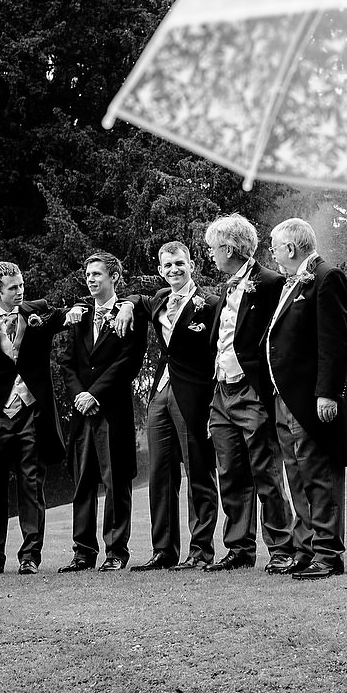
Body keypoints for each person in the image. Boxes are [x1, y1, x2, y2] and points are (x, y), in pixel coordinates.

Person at [105, 242, 222, 571]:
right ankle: (164, 551)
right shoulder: (158, 298)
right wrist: (126, 306)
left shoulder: (210, 303)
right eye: (168, 265)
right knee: (160, 474)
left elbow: (218, 350)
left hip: (194, 395)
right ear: (160, 270)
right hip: (160, 393)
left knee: (198, 472)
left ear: (191, 265)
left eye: (179, 263)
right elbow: (137, 299)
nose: (174, 270)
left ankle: (200, 551)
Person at [202, 214, 298, 573]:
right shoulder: (227, 287)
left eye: (213, 248)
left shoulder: (270, 282)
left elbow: (279, 336)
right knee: (230, 473)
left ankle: (282, 548)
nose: (211, 254)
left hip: (252, 390)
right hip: (221, 392)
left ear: (229, 248)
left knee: (266, 471)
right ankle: (239, 548)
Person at [265, 218, 347, 580]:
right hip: (285, 397)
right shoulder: (292, 282)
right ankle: (305, 550)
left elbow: (334, 342)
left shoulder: (326, 277)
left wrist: (327, 394)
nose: (272, 255)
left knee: (318, 474)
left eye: (274, 248)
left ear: (290, 248)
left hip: (311, 399)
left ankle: (328, 554)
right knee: (297, 475)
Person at [0, 261, 68, 576]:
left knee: (31, 486)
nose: (20, 291)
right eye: (13, 288)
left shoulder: (37, 310)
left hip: (31, 414)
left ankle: (30, 557)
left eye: (21, 285)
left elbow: (70, 310)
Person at [57, 252, 148, 573]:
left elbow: (129, 362)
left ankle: (116, 552)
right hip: (82, 413)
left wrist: (94, 394)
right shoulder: (79, 316)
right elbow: (67, 362)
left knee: (116, 482)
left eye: (97, 274)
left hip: (113, 411)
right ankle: (82, 552)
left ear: (114, 277)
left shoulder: (130, 314)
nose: (91, 280)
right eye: (88, 275)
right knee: (82, 483)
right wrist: (79, 395)